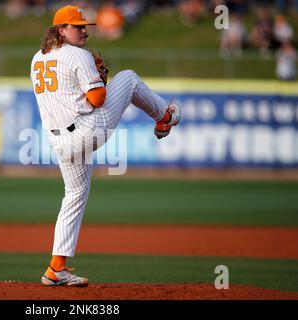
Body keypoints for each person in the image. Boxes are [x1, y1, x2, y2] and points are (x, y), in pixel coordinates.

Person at [30, 5, 181, 287]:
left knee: (74, 195)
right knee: (129, 79)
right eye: (77, 26)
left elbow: (64, 95)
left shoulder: (37, 59)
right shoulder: (78, 54)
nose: (84, 30)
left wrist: (88, 87)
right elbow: (98, 99)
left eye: (85, 25)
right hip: (86, 130)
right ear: (61, 30)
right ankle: (165, 117)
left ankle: (56, 269)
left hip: (57, 141)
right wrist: (99, 80)